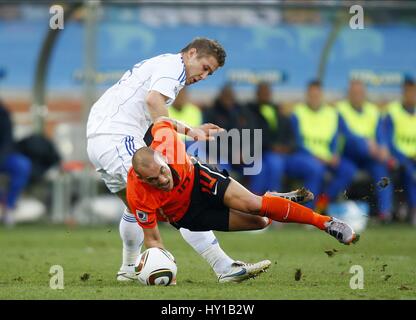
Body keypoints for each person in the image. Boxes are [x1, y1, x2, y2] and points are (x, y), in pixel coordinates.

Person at [86, 37, 268, 283]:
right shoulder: (174, 66)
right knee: (182, 197)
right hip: (118, 137)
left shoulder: (161, 63)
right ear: (191, 53)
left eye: (210, 74)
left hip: (101, 139)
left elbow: (153, 111)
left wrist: (189, 131)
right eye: (205, 68)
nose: (203, 76)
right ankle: (223, 266)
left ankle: (128, 268)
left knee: (134, 203)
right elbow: (153, 101)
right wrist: (175, 153)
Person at [126, 117, 359, 283]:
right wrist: (166, 269)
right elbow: (153, 240)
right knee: (260, 222)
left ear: (164, 159)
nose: (162, 180)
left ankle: (325, 222)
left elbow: (162, 122)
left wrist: (192, 131)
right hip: (186, 214)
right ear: (141, 178)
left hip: (200, 179)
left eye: (163, 172)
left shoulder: (168, 143)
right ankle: (271, 200)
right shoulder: (138, 194)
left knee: (253, 205)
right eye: (154, 180)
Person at [290, 80, 357, 210]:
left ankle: (322, 202)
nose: (314, 98)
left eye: (317, 95)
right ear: (307, 95)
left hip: (328, 157)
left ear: (322, 95)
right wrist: (316, 157)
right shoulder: (297, 113)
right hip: (304, 157)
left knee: (348, 169)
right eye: (312, 95)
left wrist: (336, 154)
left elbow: (341, 136)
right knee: (315, 169)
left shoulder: (332, 114)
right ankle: (307, 212)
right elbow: (296, 143)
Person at [385, 78, 416, 225]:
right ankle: (413, 210)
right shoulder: (393, 112)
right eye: (408, 91)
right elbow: (389, 142)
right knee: (410, 172)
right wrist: (403, 156)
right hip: (400, 159)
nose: (411, 95)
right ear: (403, 93)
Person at [0, 100, 32, 226]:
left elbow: (8, 142)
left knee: (22, 165)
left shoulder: (3, 114)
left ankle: (9, 207)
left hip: (3, 157)